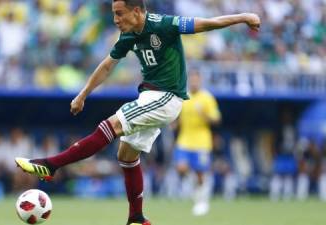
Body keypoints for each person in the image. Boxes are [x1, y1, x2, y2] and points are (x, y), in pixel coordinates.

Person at [15, 1, 260, 224]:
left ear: (136, 11)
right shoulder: (129, 35)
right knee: (126, 155)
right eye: (113, 14)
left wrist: (244, 16)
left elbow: (206, 23)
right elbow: (107, 65)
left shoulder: (163, 24)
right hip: (150, 97)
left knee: (112, 125)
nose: (115, 19)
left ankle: (51, 165)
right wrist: (83, 94)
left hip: (166, 96)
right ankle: (136, 217)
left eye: (119, 13)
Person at [172, 71, 221, 216]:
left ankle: (202, 201)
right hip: (184, 140)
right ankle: (195, 190)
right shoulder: (183, 97)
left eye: (196, 80)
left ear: (200, 81)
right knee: (181, 168)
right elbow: (180, 118)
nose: (193, 82)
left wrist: (204, 115)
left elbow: (217, 119)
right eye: (191, 80)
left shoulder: (207, 98)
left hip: (201, 141)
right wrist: (175, 124)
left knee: (200, 173)